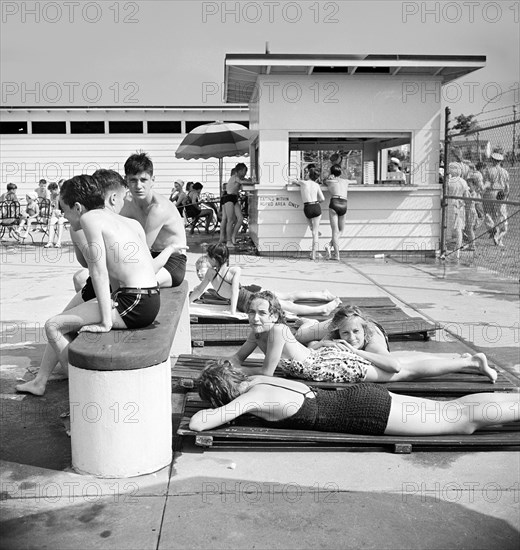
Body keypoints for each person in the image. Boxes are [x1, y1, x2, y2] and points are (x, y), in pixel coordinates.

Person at [16, 174, 161, 396]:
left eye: (64, 210)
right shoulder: (128, 222)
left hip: (135, 302)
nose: (64, 217)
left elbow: (98, 272)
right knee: (67, 320)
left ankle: (83, 391)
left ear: (77, 207)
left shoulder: (89, 220)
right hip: (148, 299)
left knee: (53, 326)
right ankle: (55, 381)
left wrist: (105, 321)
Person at [189, 359, 519, 437]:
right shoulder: (259, 379)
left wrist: (223, 407)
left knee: (460, 420)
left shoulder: (250, 399)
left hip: (364, 411)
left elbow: (199, 423)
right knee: (453, 410)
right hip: (358, 399)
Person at [221, 291, 496, 384]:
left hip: (331, 366)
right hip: (324, 357)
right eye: (251, 313)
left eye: (261, 313)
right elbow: (237, 359)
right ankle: (459, 358)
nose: (255, 318)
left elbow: (266, 374)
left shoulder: (279, 330)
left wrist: (235, 374)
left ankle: (470, 364)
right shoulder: (257, 333)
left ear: (274, 315)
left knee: (401, 372)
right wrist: (224, 367)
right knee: (397, 362)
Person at [295, 304, 497, 383]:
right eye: (345, 333)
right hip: (335, 322)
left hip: (374, 335)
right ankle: (460, 361)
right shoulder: (334, 331)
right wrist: (323, 344)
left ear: (362, 330)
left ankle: (469, 363)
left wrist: (355, 351)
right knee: (302, 335)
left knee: (402, 365)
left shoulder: (369, 338)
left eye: (355, 332)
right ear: (337, 330)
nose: (351, 337)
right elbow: (311, 346)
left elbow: (394, 366)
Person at [190, 245, 341, 317]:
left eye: (209, 257)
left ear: (216, 258)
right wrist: (187, 302)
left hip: (252, 297)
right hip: (247, 301)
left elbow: (235, 292)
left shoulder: (234, 270)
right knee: (288, 299)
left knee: (287, 304)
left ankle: (322, 309)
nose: (207, 260)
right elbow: (198, 290)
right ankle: (322, 295)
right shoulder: (211, 273)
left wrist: (231, 312)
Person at [120, 152, 187, 288]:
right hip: (149, 256)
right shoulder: (126, 202)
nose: (138, 186)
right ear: (126, 180)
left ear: (153, 180)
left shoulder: (158, 208)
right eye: (133, 180)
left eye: (143, 180)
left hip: (172, 261)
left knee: (135, 283)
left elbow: (142, 249)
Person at [291, 166, 324, 261]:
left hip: (307, 207)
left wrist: (297, 180)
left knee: (311, 225)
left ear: (309, 174)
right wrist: (317, 203)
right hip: (316, 207)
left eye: (307, 173)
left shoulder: (303, 183)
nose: (305, 174)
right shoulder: (317, 185)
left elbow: (293, 181)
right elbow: (322, 199)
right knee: (315, 233)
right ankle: (313, 254)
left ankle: (312, 228)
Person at [482, 149, 510, 246]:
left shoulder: (488, 171)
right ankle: (499, 237)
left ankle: (492, 228)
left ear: (493, 160)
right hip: (501, 194)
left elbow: (487, 183)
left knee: (488, 214)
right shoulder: (505, 172)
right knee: (501, 215)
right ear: (500, 161)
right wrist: (506, 196)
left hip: (489, 193)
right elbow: (507, 187)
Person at [220, 163, 250, 247]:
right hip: (228, 198)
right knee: (230, 220)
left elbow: (243, 182)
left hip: (234, 198)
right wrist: (252, 181)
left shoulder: (239, 177)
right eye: (244, 171)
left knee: (240, 218)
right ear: (240, 171)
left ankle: (233, 236)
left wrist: (248, 180)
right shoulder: (235, 177)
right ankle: (228, 241)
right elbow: (242, 182)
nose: (245, 173)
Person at [323, 164, 349, 261]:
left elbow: (323, 181)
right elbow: (350, 180)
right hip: (344, 203)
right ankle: (330, 247)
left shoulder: (329, 181)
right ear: (340, 172)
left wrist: (329, 177)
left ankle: (336, 254)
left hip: (334, 202)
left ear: (331, 172)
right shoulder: (346, 182)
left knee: (335, 230)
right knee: (341, 230)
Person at [446, 162, 470, 260]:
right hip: (459, 205)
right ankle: (458, 250)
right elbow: (467, 196)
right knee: (459, 229)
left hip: (449, 204)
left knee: (447, 227)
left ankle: (445, 248)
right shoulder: (463, 182)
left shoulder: (448, 181)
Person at [43, 182, 65, 248]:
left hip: (63, 214)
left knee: (60, 222)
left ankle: (59, 242)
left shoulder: (62, 195)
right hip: (56, 212)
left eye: (51, 190)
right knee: (51, 222)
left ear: (55, 189)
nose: (51, 192)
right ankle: (50, 242)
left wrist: (63, 213)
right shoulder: (52, 196)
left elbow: (65, 206)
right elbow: (52, 206)